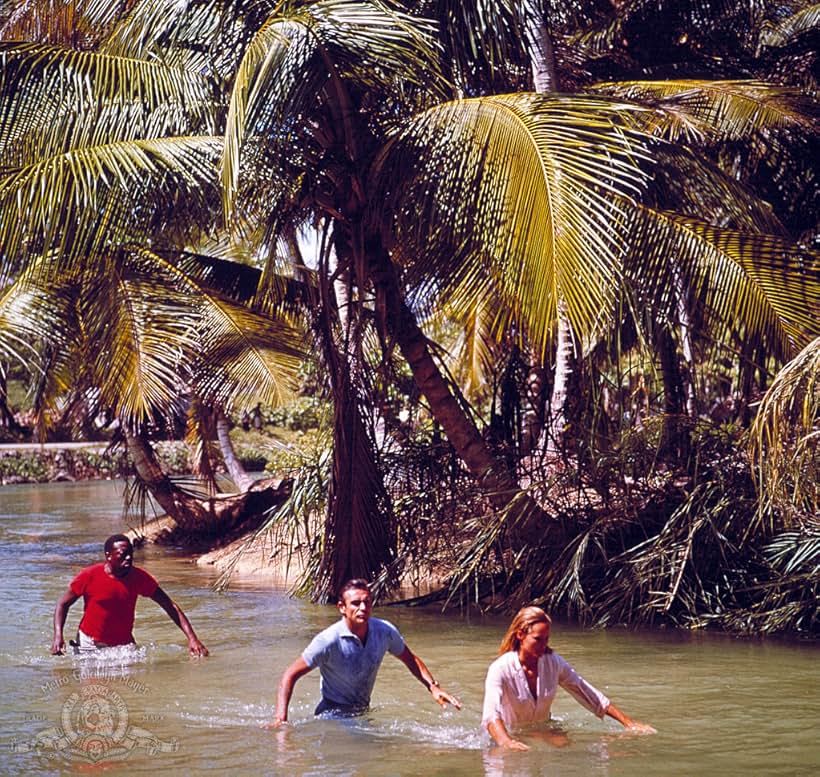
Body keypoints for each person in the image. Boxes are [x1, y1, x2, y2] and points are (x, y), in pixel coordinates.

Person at [266, 578, 461, 726]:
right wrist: (281, 719)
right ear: (342, 607)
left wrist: (433, 687)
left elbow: (410, 659)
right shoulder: (328, 640)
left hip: (361, 712)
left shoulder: (384, 631)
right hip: (332, 716)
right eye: (356, 603)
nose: (363, 608)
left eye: (367, 602)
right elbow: (289, 675)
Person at [482, 606, 654, 750]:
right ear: (520, 635)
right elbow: (491, 714)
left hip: (543, 727)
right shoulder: (500, 669)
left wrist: (628, 723)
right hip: (509, 732)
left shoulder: (553, 662)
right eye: (537, 639)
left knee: (568, 750)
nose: (544, 646)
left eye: (546, 639)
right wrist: (506, 742)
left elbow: (585, 691)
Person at [51, 534, 209, 657]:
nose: (128, 558)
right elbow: (63, 604)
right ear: (108, 556)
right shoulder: (89, 575)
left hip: (123, 647)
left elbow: (169, 606)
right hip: (89, 644)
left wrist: (192, 639)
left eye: (130, 554)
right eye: (122, 554)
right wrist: (58, 636)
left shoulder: (139, 577)